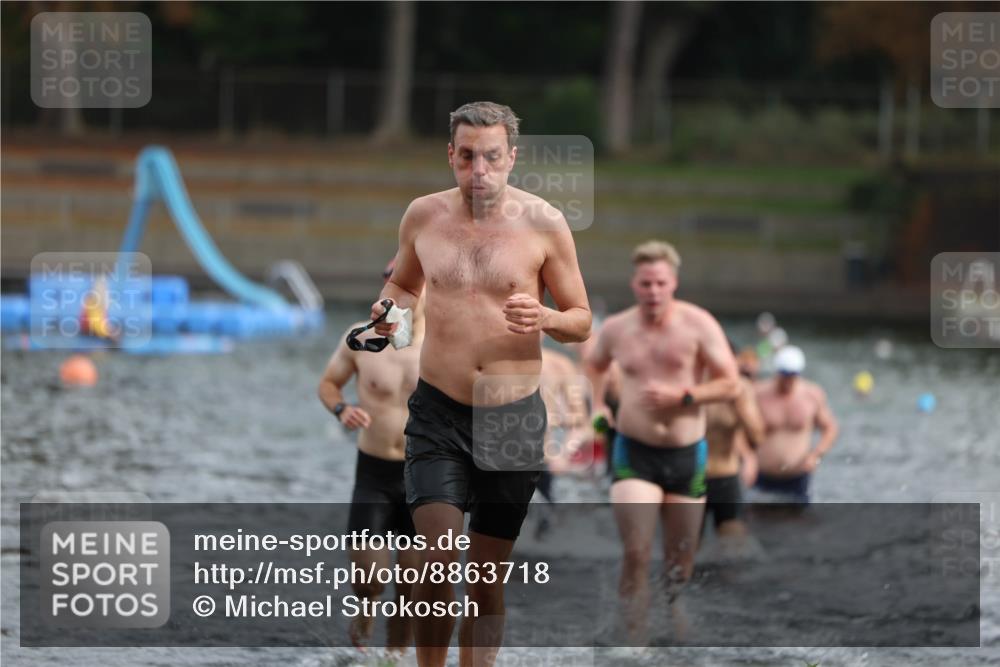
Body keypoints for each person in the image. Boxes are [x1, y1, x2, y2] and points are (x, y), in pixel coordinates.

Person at [367, 101, 591, 667]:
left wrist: (545, 317)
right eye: (467, 157)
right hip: (438, 413)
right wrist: (388, 313)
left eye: (491, 157)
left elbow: (581, 320)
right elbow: (403, 288)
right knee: (436, 563)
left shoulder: (545, 223)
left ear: (512, 157)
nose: (479, 171)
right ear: (451, 155)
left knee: (487, 582)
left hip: (511, 417)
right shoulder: (422, 215)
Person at [584, 240, 740, 644]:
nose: (653, 291)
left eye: (660, 283)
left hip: (687, 456)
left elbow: (731, 383)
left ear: (674, 283)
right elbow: (594, 364)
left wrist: (683, 396)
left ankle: (673, 604)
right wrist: (599, 405)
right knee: (636, 553)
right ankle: (633, 641)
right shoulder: (617, 328)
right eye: (645, 283)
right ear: (634, 284)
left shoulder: (699, 324)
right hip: (634, 452)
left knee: (679, 563)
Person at [317, 259, 424, 654]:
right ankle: (364, 617)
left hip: (424, 475)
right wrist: (341, 409)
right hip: (374, 472)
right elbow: (329, 383)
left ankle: (395, 657)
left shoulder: (446, 343)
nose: (396, 285)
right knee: (369, 579)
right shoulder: (359, 338)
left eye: (407, 278)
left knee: (412, 584)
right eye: (389, 277)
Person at [752, 345, 839, 504]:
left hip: (798, 477)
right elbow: (738, 429)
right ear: (777, 372)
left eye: (793, 375)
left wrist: (816, 455)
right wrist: (746, 457)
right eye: (785, 375)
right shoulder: (758, 393)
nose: (788, 380)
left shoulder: (811, 394)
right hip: (762, 477)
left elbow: (830, 428)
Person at [703, 345, 765, 539]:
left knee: (734, 544)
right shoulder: (694, 387)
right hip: (692, 476)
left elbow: (758, 436)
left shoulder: (742, 388)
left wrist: (739, 405)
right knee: (686, 545)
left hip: (726, 475)